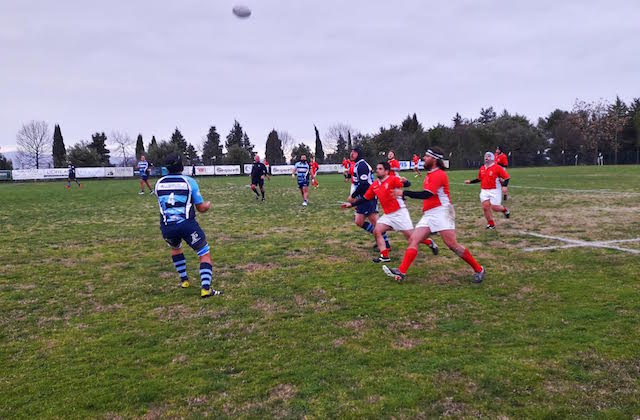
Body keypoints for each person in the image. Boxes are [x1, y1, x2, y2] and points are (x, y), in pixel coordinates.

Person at [383, 148, 485, 284]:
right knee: (413, 239)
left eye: (427, 156)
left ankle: (479, 269)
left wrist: (404, 193)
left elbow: (427, 194)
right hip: (430, 214)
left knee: (452, 245)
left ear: (434, 159)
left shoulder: (439, 174)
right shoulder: (430, 174)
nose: (423, 158)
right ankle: (401, 272)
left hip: (442, 212)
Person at [155, 153, 223, 298]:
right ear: (181, 166)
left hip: (167, 227)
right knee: (204, 253)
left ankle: (184, 280)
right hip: (187, 225)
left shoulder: (158, 183)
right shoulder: (189, 182)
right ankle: (206, 289)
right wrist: (208, 205)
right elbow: (201, 208)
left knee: (175, 248)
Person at [341, 161, 438, 262]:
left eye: (380, 169)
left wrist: (405, 181)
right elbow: (365, 198)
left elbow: (407, 184)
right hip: (388, 215)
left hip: (400, 213)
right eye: (377, 169)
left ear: (386, 171)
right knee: (377, 230)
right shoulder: (375, 185)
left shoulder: (393, 180)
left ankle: (429, 242)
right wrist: (351, 204)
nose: (377, 171)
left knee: (411, 237)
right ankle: (385, 256)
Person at [348, 146, 391, 251]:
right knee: (359, 221)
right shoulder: (357, 165)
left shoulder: (362, 166)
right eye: (351, 152)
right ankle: (379, 237)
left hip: (368, 197)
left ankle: (385, 244)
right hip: (362, 197)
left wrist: (353, 196)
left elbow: (364, 185)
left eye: (354, 152)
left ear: (358, 154)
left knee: (375, 221)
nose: (351, 154)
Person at [464, 152, 511, 230]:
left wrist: (505, 186)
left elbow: (507, 177)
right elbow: (479, 178)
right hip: (484, 190)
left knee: (495, 207)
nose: (486, 157)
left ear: (492, 158)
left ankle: (505, 210)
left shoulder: (497, 167)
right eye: (485, 156)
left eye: (489, 156)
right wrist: (471, 182)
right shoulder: (482, 168)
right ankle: (491, 224)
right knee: (485, 207)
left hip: (495, 190)